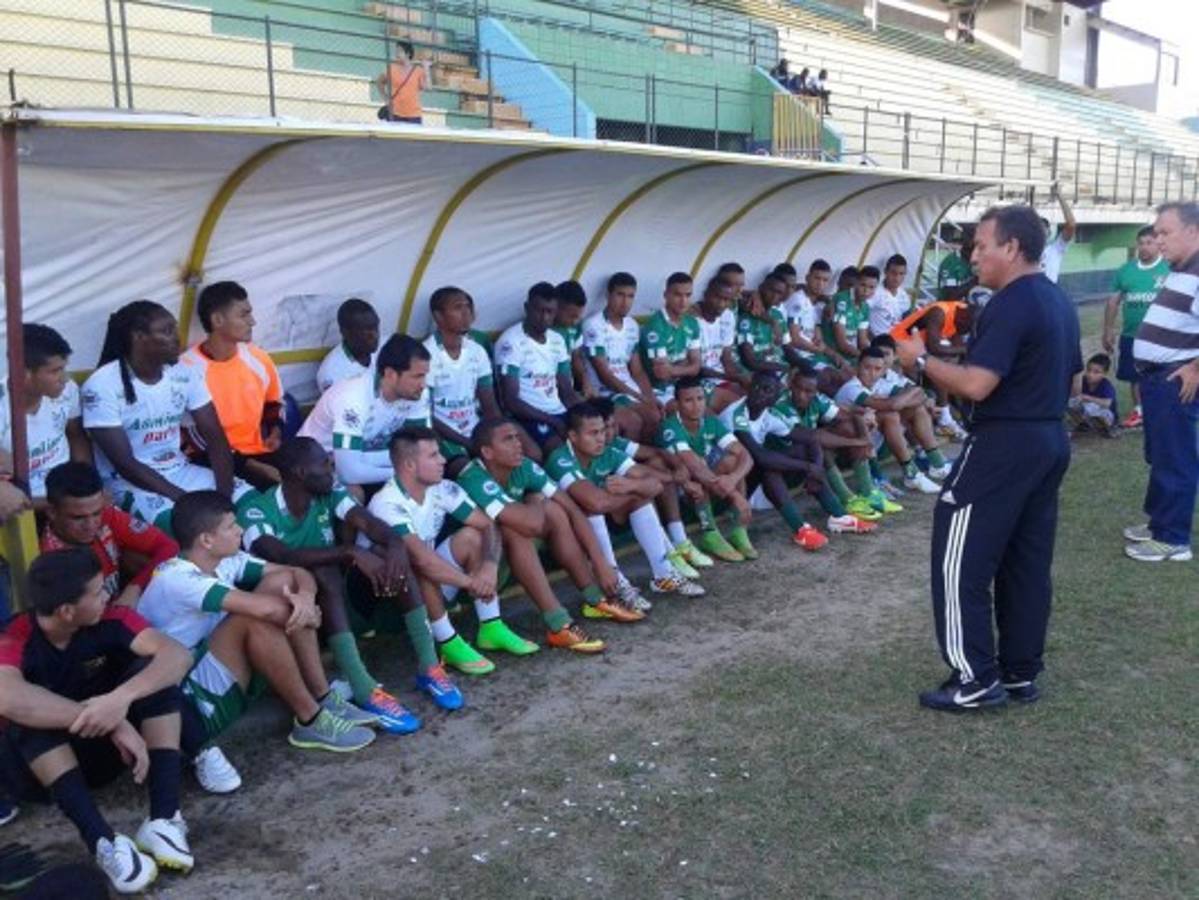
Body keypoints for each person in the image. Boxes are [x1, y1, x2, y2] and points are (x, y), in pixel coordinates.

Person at [896, 203, 1080, 711]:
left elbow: (978, 385)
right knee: (1025, 560)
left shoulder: (1011, 302)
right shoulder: (1057, 300)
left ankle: (974, 679)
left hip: (1004, 443)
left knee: (959, 556)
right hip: (1048, 439)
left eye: (981, 245)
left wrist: (921, 360)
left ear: (1012, 248)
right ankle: (1020, 672)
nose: (972, 255)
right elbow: (1066, 375)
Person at [0, 549, 194, 893]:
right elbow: (9, 697)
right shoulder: (14, 635)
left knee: (154, 679)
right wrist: (111, 720)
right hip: (38, 775)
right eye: (97, 591)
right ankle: (103, 842)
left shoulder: (113, 618)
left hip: (106, 756)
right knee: (27, 718)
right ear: (67, 611)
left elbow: (177, 655)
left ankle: (163, 819)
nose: (107, 595)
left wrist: (120, 700)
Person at [138, 491, 379, 750]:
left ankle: (323, 697)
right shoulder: (177, 577)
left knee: (283, 584)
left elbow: (296, 572)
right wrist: (307, 615)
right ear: (206, 540)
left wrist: (307, 599)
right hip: (190, 700)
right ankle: (310, 720)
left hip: (217, 666)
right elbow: (264, 611)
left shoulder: (225, 559)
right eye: (231, 526)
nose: (240, 530)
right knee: (252, 619)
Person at [238, 438, 422, 733]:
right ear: (300, 472)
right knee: (323, 571)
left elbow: (367, 522)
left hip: (338, 609)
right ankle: (363, 688)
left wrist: (395, 543)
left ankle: (429, 666)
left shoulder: (330, 494)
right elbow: (281, 555)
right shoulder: (256, 511)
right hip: (292, 622)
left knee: (388, 557)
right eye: (324, 464)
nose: (331, 469)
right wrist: (349, 552)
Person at [365, 427, 526, 682]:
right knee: (418, 562)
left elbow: (488, 525)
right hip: (390, 601)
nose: (443, 460)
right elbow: (421, 559)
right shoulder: (387, 502)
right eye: (433, 455)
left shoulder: (442, 488)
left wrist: (489, 567)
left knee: (471, 537)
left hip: (430, 586)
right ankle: (447, 641)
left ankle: (491, 626)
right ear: (409, 465)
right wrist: (473, 583)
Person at [457, 418, 633, 646]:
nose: (518, 444)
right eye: (508, 439)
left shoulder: (524, 466)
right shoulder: (473, 477)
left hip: (510, 560)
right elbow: (530, 525)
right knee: (516, 528)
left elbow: (572, 508)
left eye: (517, 437)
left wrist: (600, 561)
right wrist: (535, 500)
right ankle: (558, 623)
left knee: (556, 510)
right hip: (476, 575)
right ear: (487, 452)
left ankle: (594, 599)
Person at [81, 301, 244, 530]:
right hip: (130, 484)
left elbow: (216, 437)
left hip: (179, 470)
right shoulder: (101, 386)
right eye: (166, 331)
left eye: (175, 329)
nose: (177, 338)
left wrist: (224, 496)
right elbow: (126, 464)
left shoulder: (185, 373)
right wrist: (187, 500)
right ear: (139, 337)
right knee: (190, 526)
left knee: (250, 503)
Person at [545, 402, 703, 597]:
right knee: (592, 506)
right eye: (593, 433)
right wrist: (635, 491)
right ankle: (616, 581)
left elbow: (655, 485)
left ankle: (664, 575)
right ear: (573, 436)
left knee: (640, 498)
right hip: (566, 532)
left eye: (602, 431)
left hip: (600, 520)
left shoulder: (608, 452)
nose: (601, 438)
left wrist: (633, 487)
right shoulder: (560, 459)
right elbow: (596, 503)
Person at [1125, 201, 1199, 563]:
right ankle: (1159, 524)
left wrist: (1196, 368)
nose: (1158, 240)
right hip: (1157, 381)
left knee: (1175, 459)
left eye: (1165, 233)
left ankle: (1172, 539)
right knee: (1161, 455)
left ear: (1193, 232)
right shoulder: (1182, 268)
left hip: (1173, 382)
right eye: (1156, 233)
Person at [182, 281, 284, 490]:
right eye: (244, 314)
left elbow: (274, 403)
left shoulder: (258, 358)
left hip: (259, 454)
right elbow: (190, 439)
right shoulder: (186, 368)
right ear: (217, 320)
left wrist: (275, 431)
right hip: (209, 462)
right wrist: (249, 465)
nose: (253, 321)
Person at [299, 334, 432, 490]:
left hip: (357, 457)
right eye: (417, 376)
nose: (423, 384)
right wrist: (402, 472)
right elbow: (348, 473)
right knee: (355, 493)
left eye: (425, 376)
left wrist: (366, 459)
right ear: (390, 374)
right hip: (315, 466)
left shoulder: (417, 393)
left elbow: (421, 449)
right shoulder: (353, 397)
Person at [40, 462, 177, 609]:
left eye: (96, 513)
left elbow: (169, 547)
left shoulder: (107, 515)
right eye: (78, 518)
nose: (91, 524)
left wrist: (134, 588)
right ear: (52, 513)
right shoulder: (51, 561)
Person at [719, 373, 832, 549]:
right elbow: (759, 456)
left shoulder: (769, 413)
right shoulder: (735, 414)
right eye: (757, 387)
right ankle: (801, 529)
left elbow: (810, 438)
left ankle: (839, 516)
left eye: (767, 390)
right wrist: (808, 467)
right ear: (748, 388)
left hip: (749, 480)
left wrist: (815, 467)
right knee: (766, 465)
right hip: (725, 485)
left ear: (775, 397)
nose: (759, 392)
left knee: (802, 448)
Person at [658, 377, 757, 560]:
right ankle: (710, 533)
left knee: (732, 461)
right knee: (698, 466)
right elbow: (693, 467)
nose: (696, 406)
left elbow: (745, 456)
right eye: (688, 400)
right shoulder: (670, 428)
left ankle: (739, 529)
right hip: (684, 487)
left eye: (700, 399)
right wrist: (735, 496)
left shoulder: (710, 421)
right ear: (677, 404)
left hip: (712, 483)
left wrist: (732, 479)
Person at [778, 362, 890, 522]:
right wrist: (859, 442)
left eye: (808, 391)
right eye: (798, 388)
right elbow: (811, 436)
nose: (801, 395)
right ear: (791, 385)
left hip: (807, 459)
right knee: (817, 443)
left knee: (848, 428)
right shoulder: (782, 404)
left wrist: (864, 429)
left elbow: (850, 414)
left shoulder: (817, 400)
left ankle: (868, 492)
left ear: (815, 392)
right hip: (782, 465)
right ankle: (847, 498)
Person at [835, 347, 948, 494]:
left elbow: (921, 396)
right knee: (890, 415)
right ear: (857, 367)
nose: (872, 373)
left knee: (916, 409)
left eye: (877, 369)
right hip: (850, 452)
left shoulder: (881, 384)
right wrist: (909, 394)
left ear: (883, 371)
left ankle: (937, 464)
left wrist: (913, 393)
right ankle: (910, 473)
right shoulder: (851, 388)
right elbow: (892, 405)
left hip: (878, 445)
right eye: (867, 368)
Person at [0, 324, 90, 505]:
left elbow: (76, 435)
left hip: (72, 498)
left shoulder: (68, 390)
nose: (64, 378)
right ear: (24, 373)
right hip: (27, 507)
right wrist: (61, 504)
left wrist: (88, 484)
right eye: (55, 371)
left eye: (64, 368)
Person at [424, 286, 505, 473]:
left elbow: (489, 405)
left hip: (475, 432)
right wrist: (469, 444)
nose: (466, 313)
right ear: (438, 317)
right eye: (458, 307)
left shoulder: (477, 351)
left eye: (468, 307)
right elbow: (427, 417)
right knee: (471, 472)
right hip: (445, 438)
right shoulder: (426, 354)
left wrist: (498, 436)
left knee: (517, 460)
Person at [495, 282, 581, 452]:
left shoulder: (557, 340)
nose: (544, 317)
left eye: (550, 312)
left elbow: (566, 389)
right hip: (528, 416)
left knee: (593, 434)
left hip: (557, 411)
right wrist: (553, 421)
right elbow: (511, 401)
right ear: (527, 308)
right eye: (539, 310)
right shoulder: (511, 342)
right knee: (559, 448)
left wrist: (582, 415)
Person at [1103, 225, 1170, 429]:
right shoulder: (1126, 270)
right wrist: (1108, 329)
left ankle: (1162, 410)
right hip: (1132, 334)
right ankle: (1139, 411)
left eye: (1149, 242)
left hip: (1162, 336)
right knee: (1135, 376)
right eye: (1140, 243)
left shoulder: (1169, 268)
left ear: (1158, 244)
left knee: (1162, 373)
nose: (1144, 247)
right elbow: (1113, 301)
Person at [582, 272, 661, 441]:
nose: (625, 302)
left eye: (630, 296)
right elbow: (605, 375)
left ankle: (640, 460)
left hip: (628, 390)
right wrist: (641, 398)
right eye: (620, 295)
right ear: (608, 295)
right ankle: (623, 464)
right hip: (605, 393)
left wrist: (650, 398)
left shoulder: (632, 326)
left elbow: (637, 370)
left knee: (656, 415)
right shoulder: (593, 325)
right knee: (634, 422)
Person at [640, 272, 703, 409]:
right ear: (666, 295)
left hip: (685, 385)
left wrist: (673, 368)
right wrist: (686, 365)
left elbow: (697, 366)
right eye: (677, 295)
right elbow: (662, 373)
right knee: (693, 411)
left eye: (688, 295)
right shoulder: (655, 326)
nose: (683, 301)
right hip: (660, 389)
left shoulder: (692, 323)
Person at [689, 275, 745, 410]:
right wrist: (732, 378)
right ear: (706, 295)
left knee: (753, 397)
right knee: (737, 406)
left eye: (726, 300)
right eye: (717, 298)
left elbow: (726, 357)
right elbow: (696, 369)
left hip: (720, 378)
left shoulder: (728, 316)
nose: (721, 304)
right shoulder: (691, 320)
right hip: (698, 381)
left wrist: (740, 379)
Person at [784, 259, 840, 370]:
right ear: (807, 278)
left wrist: (833, 354)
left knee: (846, 370)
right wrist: (818, 350)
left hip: (814, 354)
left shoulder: (819, 304)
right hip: (800, 355)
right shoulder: (797, 299)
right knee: (836, 376)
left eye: (825, 280)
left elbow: (817, 337)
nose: (820, 284)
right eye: (817, 278)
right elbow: (794, 338)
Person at [735, 273, 794, 376]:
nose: (774, 296)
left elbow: (788, 348)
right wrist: (785, 369)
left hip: (779, 367)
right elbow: (750, 361)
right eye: (771, 290)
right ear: (761, 288)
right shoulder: (746, 318)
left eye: (779, 293)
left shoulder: (778, 315)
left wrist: (800, 366)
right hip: (763, 372)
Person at [316, 298, 379, 393]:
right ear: (345, 332)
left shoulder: (385, 348)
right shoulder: (331, 372)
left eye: (376, 327)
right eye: (366, 330)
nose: (375, 335)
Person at [823, 266, 877, 365]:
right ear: (856, 284)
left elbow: (863, 341)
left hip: (852, 355)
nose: (866, 291)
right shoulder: (842, 300)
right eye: (863, 285)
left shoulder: (865, 307)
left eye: (871, 287)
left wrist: (873, 355)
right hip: (834, 356)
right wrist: (865, 357)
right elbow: (841, 343)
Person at [375, 40, 428, 124]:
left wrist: (426, 68)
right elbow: (379, 82)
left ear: (408, 54)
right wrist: (385, 98)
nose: (397, 54)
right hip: (395, 113)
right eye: (396, 51)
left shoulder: (418, 70)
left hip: (414, 114)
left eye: (400, 51)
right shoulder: (392, 69)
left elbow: (426, 87)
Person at [553, 280, 591, 398]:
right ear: (556, 307)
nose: (575, 321)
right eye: (571, 316)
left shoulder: (575, 328)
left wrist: (585, 380)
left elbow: (576, 357)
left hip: (570, 390)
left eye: (578, 317)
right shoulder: (543, 329)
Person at [1066, 354, 1118, 437]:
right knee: (1070, 403)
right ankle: (1083, 425)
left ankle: (1107, 428)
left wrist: (1087, 397)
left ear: (1105, 374)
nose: (1090, 374)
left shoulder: (1106, 385)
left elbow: (1107, 403)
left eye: (1096, 372)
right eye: (1089, 370)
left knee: (1089, 407)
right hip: (1090, 411)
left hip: (1107, 415)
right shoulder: (1083, 380)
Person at [1039, 184, 1077, 285]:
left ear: (1049, 232)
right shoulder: (1024, 252)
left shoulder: (1055, 249)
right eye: (1037, 229)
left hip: (1048, 295)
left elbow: (1071, 224)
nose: (1040, 232)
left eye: (1043, 228)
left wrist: (1060, 196)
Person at [868, 254, 911, 339]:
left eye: (901, 274)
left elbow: (906, 321)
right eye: (893, 273)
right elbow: (862, 318)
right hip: (879, 340)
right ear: (885, 272)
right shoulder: (875, 292)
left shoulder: (904, 295)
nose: (897, 278)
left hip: (898, 340)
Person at [937, 237, 975, 301]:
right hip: (950, 307)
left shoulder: (982, 262)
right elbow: (949, 295)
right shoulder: (951, 262)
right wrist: (976, 280)